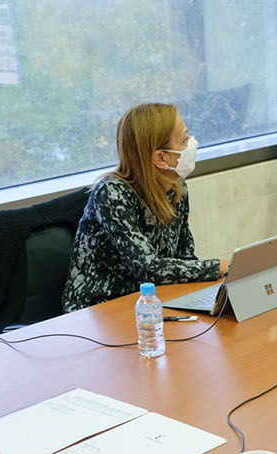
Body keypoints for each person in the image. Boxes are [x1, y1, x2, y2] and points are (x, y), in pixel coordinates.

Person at [62, 103, 221, 312]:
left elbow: (185, 258)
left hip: (152, 302)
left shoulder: (177, 188)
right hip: (99, 311)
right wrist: (219, 267)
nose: (192, 144)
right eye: (184, 140)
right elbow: (150, 268)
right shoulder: (111, 193)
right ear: (160, 158)